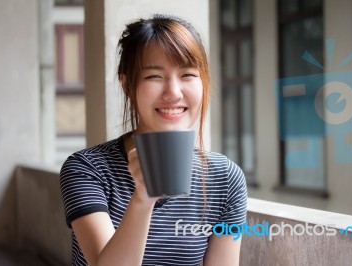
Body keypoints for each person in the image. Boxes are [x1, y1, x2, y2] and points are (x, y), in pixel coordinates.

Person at [60, 14, 247, 266]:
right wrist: (144, 197)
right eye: (154, 77)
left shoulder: (225, 179)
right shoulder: (87, 169)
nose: (173, 92)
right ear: (127, 85)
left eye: (188, 75)